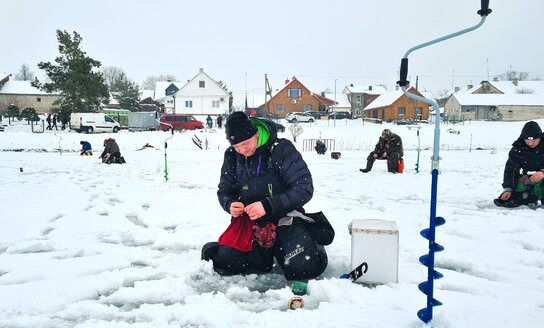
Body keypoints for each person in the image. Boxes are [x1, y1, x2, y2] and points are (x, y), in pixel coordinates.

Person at [202, 111, 330, 281]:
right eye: (236, 146)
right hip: (252, 223)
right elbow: (224, 191)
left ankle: (308, 243)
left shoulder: (281, 149)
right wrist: (230, 203)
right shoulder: (232, 155)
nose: (242, 150)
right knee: (226, 263)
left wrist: (268, 205)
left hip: (286, 218)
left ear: (256, 134)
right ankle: (263, 255)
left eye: (246, 143)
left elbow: (304, 188)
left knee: (303, 267)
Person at [494, 121, 544, 208]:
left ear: (540, 137)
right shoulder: (518, 148)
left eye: (534, 140)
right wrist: (508, 189)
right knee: (520, 186)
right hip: (528, 178)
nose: (530, 143)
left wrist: (542, 172)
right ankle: (521, 198)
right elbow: (510, 170)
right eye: (527, 140)